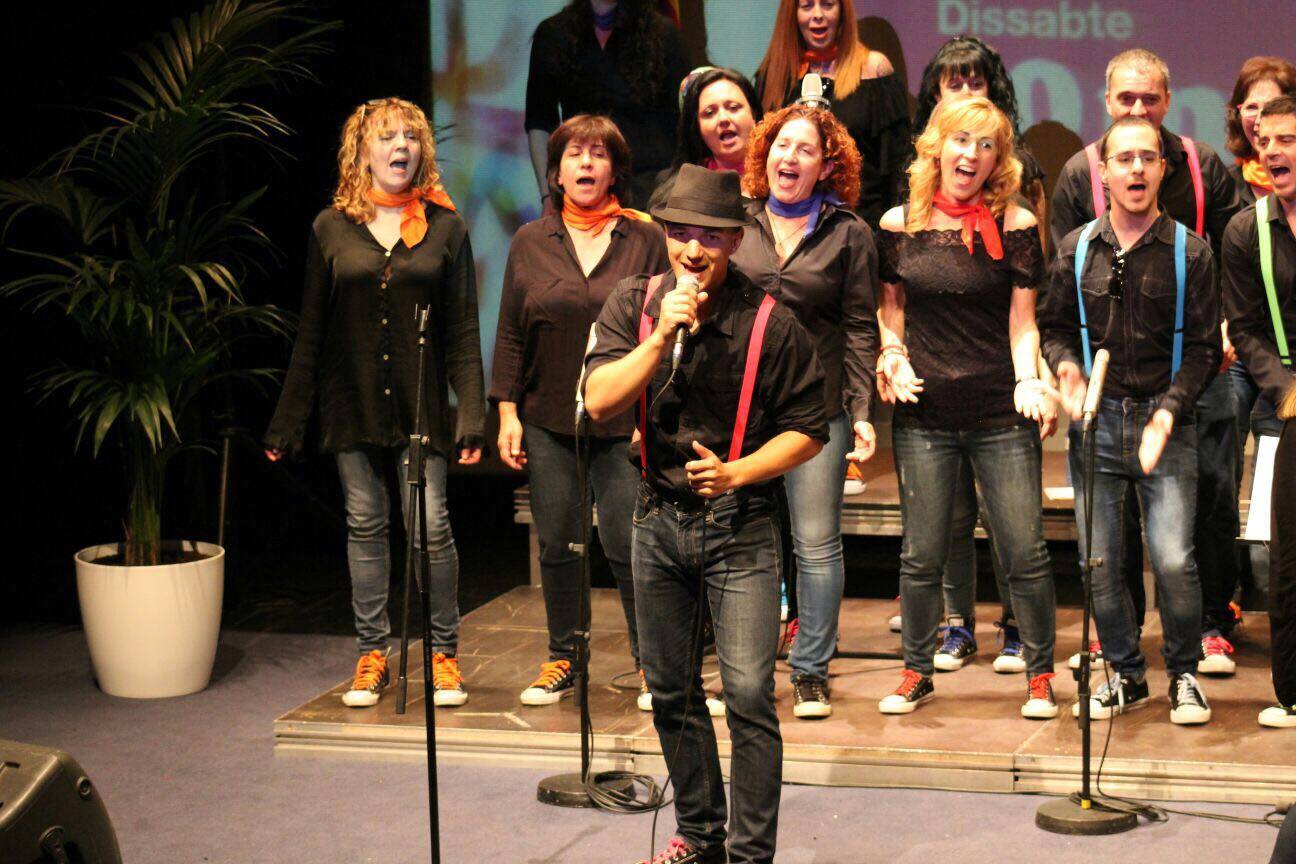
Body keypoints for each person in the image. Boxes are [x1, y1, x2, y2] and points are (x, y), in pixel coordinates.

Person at [583, 163, 828, 864]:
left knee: (748, 693)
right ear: (665, 234)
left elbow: (810, 429)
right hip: (655, 519)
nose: (693, 249)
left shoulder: (771, 322)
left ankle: (750, 855)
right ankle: (700, 835)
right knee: (669, 690)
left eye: (711, 236)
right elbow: (598, 400)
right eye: (681, 233)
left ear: (735, 241)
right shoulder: (635, 304)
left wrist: (738, 472)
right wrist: (658, 339)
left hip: (740, 526)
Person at [264, 97, 485, 709]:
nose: (400, 147)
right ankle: (372, 655)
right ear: (362, 151)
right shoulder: (331, 227)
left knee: (430, 525)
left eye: (410, 137)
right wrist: (287, 421)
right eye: (387, 137)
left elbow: (464, 331)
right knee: (365, 525)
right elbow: (311, 331)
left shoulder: (445, 227)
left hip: (421, 406)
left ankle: (442, 654)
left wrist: (471, 415)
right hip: (351, 400)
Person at [1049, 48, 1243, 675]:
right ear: (1103, 171)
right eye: (1123, 159)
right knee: (1100, 561)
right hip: (1099, 422)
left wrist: (1169, 412)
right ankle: (1126, 671)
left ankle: (1186, 669)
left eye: (1147, 159)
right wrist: (1066, 368)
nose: (1136, 168)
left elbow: (1204, 347)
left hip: (1169, 415)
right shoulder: (1077, 249)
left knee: (1176, 558)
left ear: (1163, 167)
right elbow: (1055, 327)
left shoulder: (1191, 251)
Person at [874, 97, 1058, 719]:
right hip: (925, 413)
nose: (971, 155)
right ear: (937, 146)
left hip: (999, 412)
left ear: (997, 159)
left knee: (1024, 550)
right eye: (961, 140)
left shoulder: (1016, 222)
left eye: (986, 145)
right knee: (922, 554)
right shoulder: (899, 223)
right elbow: (892, 309)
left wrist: (1029, 379)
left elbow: (1024, 322)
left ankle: (1039, 675)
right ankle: (916, 672)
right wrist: (891, 354)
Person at [491, 115, 668, 710]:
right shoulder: (529, 240)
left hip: (624, 422)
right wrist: (507, 412)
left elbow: (661, 330)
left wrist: (653, 414)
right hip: (548, 418)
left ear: (615, 171)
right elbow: (510, 332)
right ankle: (563, 656)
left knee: (628, 544)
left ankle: (652, 665)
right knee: (558, 544)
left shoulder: (645, 238)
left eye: (598, 154)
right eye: (574, 154)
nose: (586, 163)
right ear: (556, 172)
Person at [730, 103, 878, 720]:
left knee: (815, 543)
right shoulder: (736, 223)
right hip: (743, 411)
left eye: (805, 149)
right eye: (781, 146)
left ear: (826, 166)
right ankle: (746, 672)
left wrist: (862, 409)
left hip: (817, 412)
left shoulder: (849, 233)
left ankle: (811, 670)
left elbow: (861, 327)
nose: (789, 157)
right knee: (745, 542)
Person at [1221, 96, 1296, 725]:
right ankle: (1293, 691)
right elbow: (1245, 327)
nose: (1272, 151)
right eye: (1265, 141)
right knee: (1289, 555)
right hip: (1294, 401)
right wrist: (1283, 389)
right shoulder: (1247, 231)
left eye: (1287, 140)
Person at [755, 0, 910, 228]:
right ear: (793, 14)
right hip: (786, 228)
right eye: (807, 6)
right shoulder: (772, 76)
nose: (818, 14)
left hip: (862, 225)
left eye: (827, 4)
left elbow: (897, 166)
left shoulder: (874, 70)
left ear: (842, 12)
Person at [526, 0, 691, 209]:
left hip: (654, 191)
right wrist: (548, 196)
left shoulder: (664, 33)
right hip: (586, 186)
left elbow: (685, 121)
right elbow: (539, 122)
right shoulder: (553, 34)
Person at [648, 66, 765, 211]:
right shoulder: (676, 193)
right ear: (697, 128)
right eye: (709, 113)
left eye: (733, 107)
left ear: (754, 114)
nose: (723, 118)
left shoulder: (779, 178)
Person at [1226, 58, 1296, 207]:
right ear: (1238, 114)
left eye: (1272, 107)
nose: (1259, 120)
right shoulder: (1225, 185)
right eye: (1251, 107)